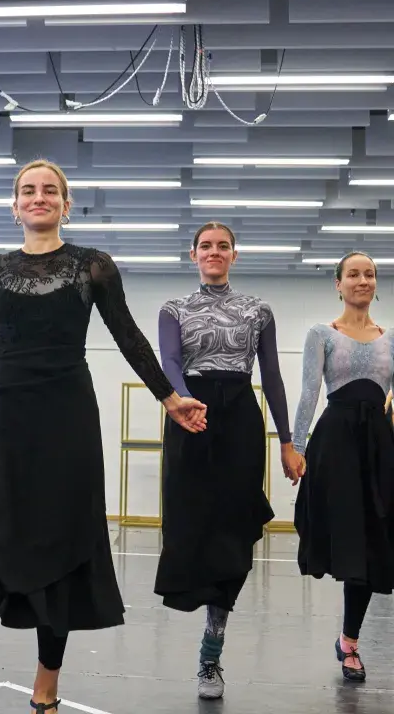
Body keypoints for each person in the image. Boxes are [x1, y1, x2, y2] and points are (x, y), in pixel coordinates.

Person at [0, 159, 208, 714]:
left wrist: (169, 398)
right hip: (5, 409)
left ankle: (46, 682)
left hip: (67, 414)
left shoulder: (92, 266)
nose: (39, 197)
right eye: (28, 190)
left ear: (66, 205)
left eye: (50, 190)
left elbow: (128, 335)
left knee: (63, 540)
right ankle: (12, 584)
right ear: (15, 205)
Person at [154, 222, 303, 699]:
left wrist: (287, 441)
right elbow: (169, 361)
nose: (214, 252)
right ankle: (195, 600)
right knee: (192, 523)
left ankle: (211, 648)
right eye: (206, 246)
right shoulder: (174, 308)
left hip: (239, 415)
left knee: (234, 528)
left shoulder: (258, 310)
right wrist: (182, 401)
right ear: (193, 254)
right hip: (190, 414)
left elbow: (272, 375)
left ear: (234, 255)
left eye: (223, 246)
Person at [292, 251, 394, 684]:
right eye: (353, 274)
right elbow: (309, 392)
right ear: (338, 283)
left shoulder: (391, 339)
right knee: (348, 537)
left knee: (374, 540)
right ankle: (349, 644)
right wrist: (296, 447)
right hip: (335, 445)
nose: (362, 280)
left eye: (369, 274)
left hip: (378, 446)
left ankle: (349, 640)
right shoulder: (322, 334)